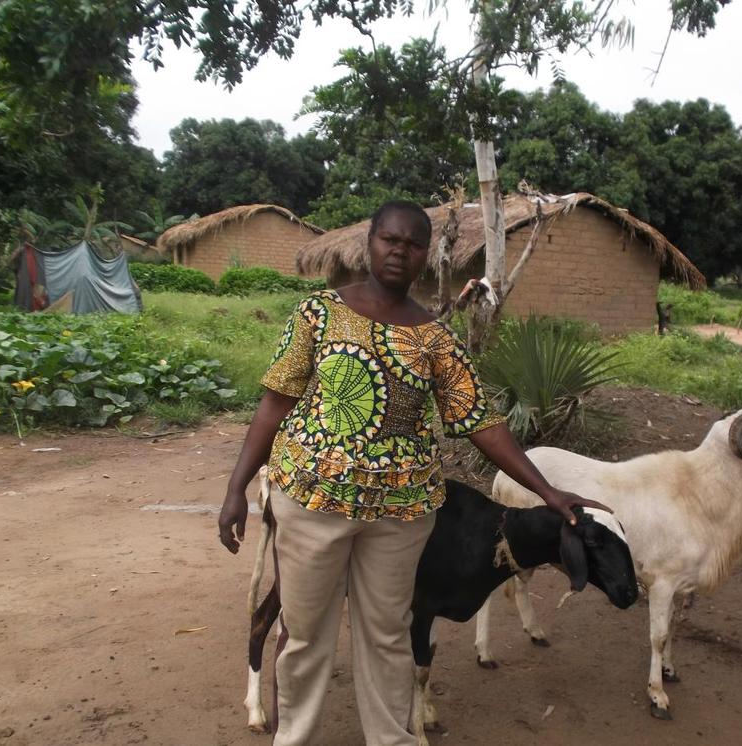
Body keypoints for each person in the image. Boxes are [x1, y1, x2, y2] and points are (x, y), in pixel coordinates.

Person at [218, 200, 609, 746]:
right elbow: (273, 403)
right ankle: (295, 738)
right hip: (311, 501)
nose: (400, 251)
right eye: (390, 240)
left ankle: (392, 739)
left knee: (388, 636)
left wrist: (547, 491)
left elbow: (482, 422)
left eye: (413, 244)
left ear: (427, 254)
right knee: (306, 636)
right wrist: (237, 487)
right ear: (370, 243)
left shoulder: (436, 338)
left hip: (401, 514)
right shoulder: (317, 314)